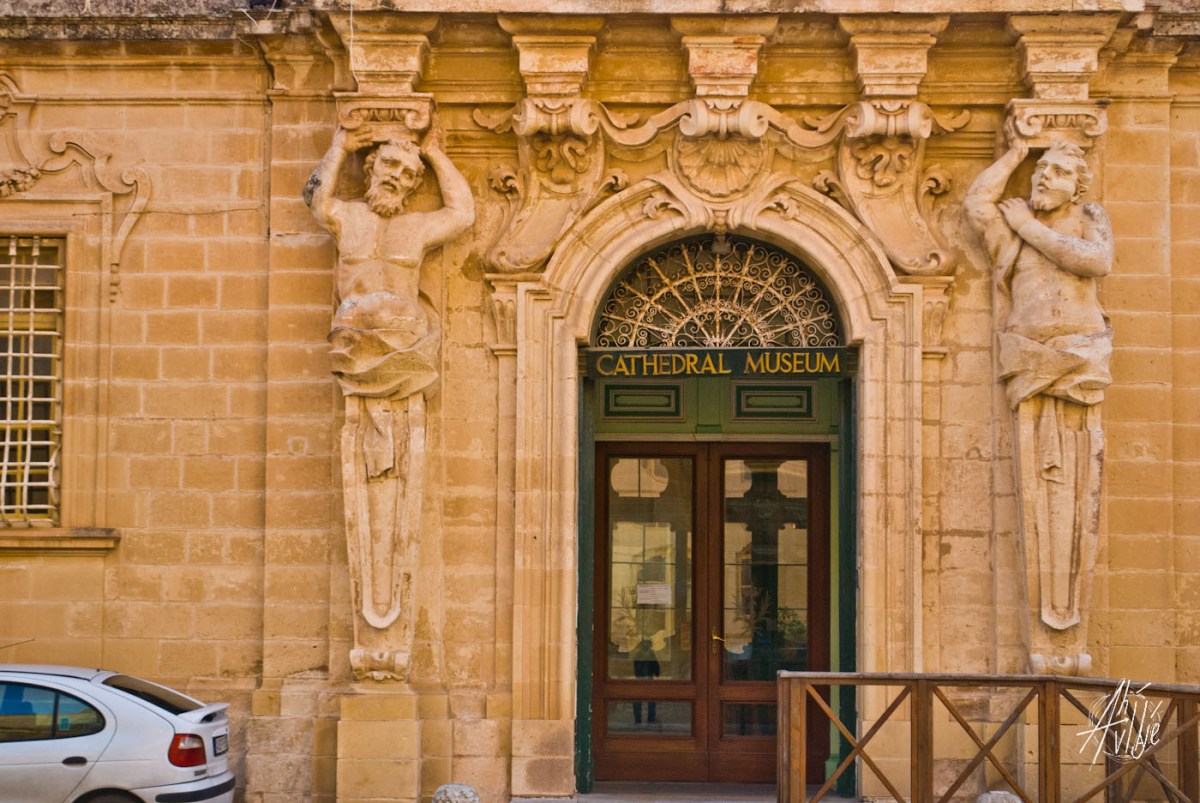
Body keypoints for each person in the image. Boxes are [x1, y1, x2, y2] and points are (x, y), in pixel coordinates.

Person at [965, 127, 1112, 669]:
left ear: (1078, 188)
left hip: (1078, 361)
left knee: (1072, 489)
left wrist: (1027, 223)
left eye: (1057, 172)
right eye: (1041, 171)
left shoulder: (1086, 221)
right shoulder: (1012, 239)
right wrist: (1012, 153)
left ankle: (1062, 639)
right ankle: (1053, 634)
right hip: (1031, 362)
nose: (1044, 179)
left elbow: (1096, 262)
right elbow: (978, 203)